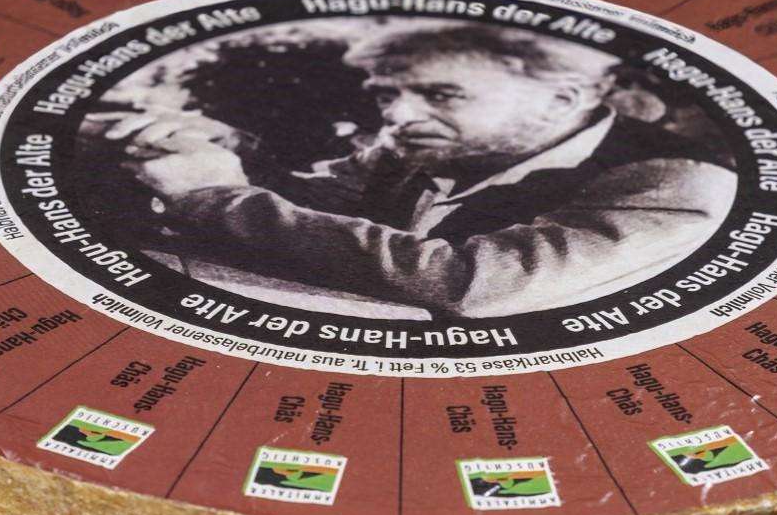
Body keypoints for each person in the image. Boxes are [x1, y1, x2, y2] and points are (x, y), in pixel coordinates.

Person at [98, 23, 737, 317]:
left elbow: (475, 283)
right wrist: (231, 151)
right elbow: (323, 198)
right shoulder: (423, 142)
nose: (398, 116)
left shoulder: (677, 181)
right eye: (386, 95)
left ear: (561, 99)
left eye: (441, 94)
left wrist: (214, 196)